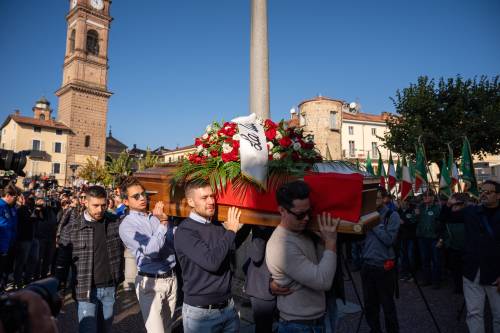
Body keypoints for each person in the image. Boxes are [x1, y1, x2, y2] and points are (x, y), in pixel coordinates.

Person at [266, 180, 339, 333]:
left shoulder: (302, 232)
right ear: (282, 211)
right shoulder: (281, 245)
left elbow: (322, 264)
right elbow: (323, 280)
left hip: (313, 321)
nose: (306, 218)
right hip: (297, 326)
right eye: (300, 215)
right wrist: (330, 242)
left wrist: (323, 241)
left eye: (308, 212)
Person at [174, 180, 241, 333]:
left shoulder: (217, 226)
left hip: (228, 307)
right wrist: (231, 231)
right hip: (201, 314)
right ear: (191, 201)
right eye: (204, 198)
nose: (211, 201)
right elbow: (212, 262)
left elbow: (231, 246)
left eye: (212, 196)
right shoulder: (185, 231)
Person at [55, 185, 124, 333]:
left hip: (109, 288)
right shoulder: (72, 229)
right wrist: (59, 291)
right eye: (96, 205)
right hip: (86, 290)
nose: (100, 209)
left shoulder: (115, 222)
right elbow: (62, 262)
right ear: (85, 202)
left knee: (105, 329)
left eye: (103, 205)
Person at [118, 177, 177, 333]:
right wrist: (163, 223)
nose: (142, 198)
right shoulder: (127, 225)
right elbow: (151, 251)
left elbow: (172, 243)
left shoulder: (155, 216)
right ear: (125, 201)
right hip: (150, 283)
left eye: (143, 194)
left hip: (171, 279)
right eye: (136, 196)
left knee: (168, 328)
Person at [442, 180, 500, 332]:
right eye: (482, 191)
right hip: (471, 271)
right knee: (474, 313)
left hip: (496, 273)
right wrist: (449, 204)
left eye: (488, 192)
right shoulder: (471, 211)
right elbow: (447, 218)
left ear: (498, 195)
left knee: (499, 315)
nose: (483, 194)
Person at [360, 186, 400, 333]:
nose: (374, 201)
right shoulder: (366, 214)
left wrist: (374, 223)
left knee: (387, 305)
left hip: (384, 267)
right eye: (372, 198)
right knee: (370, 305)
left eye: (377, 198)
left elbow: (389, 240)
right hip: (368, 265)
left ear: (384, 199)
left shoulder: (392, 215)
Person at [244, 226, 276, 333]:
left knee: (263, 327)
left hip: (262, 285)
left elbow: (256, 256)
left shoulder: (263, 228)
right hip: (263, 286)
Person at [415, 190, 442, 288]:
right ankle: (426, 279)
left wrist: (441, 239)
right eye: (424, 196)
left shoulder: (437, 208)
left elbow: (441, 224)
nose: (425, 198)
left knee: (436, 260)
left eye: (427, 196)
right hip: (422, 238)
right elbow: (414, 220)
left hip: (434, 238)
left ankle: (436, 281)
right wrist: (416, 214)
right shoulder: (420, 208)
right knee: (424, 260)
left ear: (432, 197)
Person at [0, 183, 19, 291]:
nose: (14, 200)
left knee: (5, 270)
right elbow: (3, 224)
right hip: (2, 245)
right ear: (8, 195)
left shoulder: (9, 207)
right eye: (14, 197)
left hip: (8, 244)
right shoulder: (1, 206)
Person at [397, 198, 417, 282]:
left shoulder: (412, 210)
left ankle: (411, 274)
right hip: (401, 237)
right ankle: (403, 273)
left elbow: (414, 222)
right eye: (400, 201)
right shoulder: (398, 211)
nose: (402, 203)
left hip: (410, 237)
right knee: (402, 256)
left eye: (403, 201)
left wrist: (404, 223)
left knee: (410, 256)